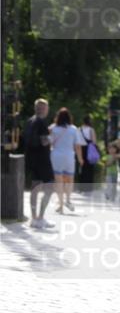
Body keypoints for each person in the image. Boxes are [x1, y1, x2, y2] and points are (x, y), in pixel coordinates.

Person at [25, 98, 55, 229]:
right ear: (45, 109)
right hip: (42, 159)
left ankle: (33, 218)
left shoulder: (30, 121)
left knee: (34, 189)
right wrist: (51, 137)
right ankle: (41, 218)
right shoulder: (42, 122)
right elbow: (44, 142)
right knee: (49, 188)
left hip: (31, 160)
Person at [48, 107, 85, 213]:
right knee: (69, 180)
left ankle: (60, 205)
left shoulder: (53, 128)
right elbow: (77, 146)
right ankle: (68, 199)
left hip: (56, 156)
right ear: (69, 117)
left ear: (58, 117)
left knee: (58, 181)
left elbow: (49, 142)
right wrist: (80, 159)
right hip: (69, 156)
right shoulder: (74, 129)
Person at [79, 115, 99, 185]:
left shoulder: (79, 129)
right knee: (90, 168)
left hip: (81, 149)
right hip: (89, 150)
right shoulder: (91, 129)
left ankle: (82, 185)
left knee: (82, 168)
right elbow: (94, 141)